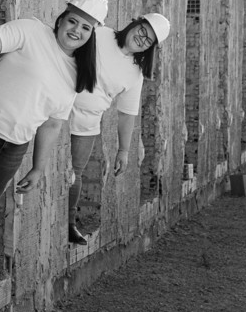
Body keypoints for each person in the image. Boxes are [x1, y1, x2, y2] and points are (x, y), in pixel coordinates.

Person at [0, 0, 107, 289]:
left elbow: (52, 124)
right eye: (73, 21)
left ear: (91, 34)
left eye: (85, 27)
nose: (76, 30)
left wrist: (38, 167)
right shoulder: (32, 31)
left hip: (15, 144)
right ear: (61, 19)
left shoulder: (76, 73)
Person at [67, 13, 171, 244]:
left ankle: (69, 223)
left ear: (151, 48)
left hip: (86, 125)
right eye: (142, 31)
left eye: (148, 40)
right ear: (135, 24)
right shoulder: (100, 34)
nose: (142, 39)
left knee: (74, 173)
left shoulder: (135, 73)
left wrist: (123, 150)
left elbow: (127, 113)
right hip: (60, 110)